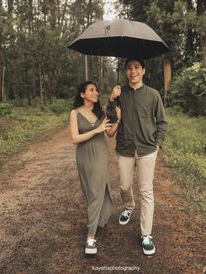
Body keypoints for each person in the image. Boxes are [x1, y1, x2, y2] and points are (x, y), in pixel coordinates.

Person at [107, 58, 167, 256]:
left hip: (147, 150)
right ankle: (128, 206)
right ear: (125, 72)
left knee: (146, 191)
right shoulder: (120, 93)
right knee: (124, 186)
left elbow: (162, 122)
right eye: (129, 68)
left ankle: (146, 234)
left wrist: (157, 144)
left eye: (136, 68)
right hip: (125, 147)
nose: (132, 71)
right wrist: (111, 98)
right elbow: (110, 119)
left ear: (143, 71)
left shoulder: (153, 95)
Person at [70, 81, 121, 255]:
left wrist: (118, 120)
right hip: (84, 157)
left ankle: (90, 237)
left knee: (96, 191)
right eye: (91, 90)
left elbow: (110, 133)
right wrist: (95, 130)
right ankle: (96, 219)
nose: (96, 92)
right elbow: (75, 138)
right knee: (90, 193)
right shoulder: (75, 113)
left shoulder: (101, 112)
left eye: (97, 90)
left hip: (100, 156)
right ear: (82, 94)